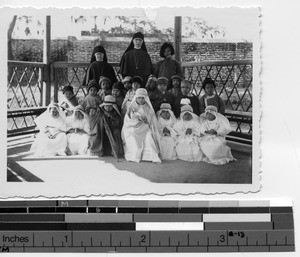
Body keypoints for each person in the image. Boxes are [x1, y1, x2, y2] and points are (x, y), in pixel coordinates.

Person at [122, 88, 161, 163]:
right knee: (133, 135)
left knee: (149, 137)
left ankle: (149, 157)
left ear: (146, 98)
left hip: (146, 127)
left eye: (143, 98)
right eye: (139, 98)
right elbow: (128, 120)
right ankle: (135, 156)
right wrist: (138, 119)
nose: (141, 100)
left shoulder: (148, 107)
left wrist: (146, 119)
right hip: (134, 127)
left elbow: (152, 119)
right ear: (136, 98)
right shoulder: (131, 107)